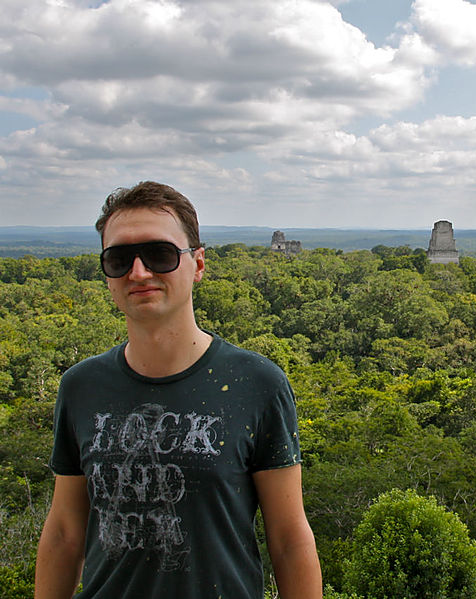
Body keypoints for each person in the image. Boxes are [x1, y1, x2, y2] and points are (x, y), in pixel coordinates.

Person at [34, 181, 322, 599]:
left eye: (160, 255)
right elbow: (64, 534)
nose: (138, 272)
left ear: (198, 264)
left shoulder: (257, 383)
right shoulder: (81, 387)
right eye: (118, 259)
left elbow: (289, 539)